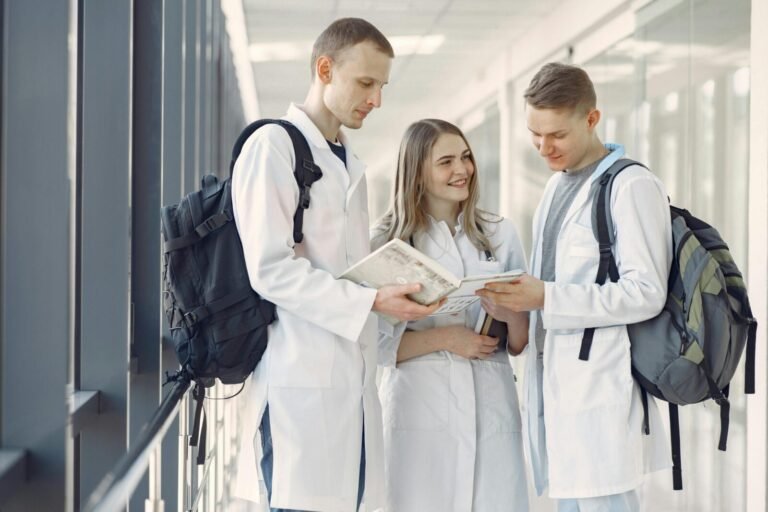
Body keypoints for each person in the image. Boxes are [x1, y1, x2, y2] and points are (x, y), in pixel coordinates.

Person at [230, 18, 441, 512]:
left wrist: (396, 288)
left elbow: (342, 266)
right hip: (296, 382)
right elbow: (270, 269)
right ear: (325, 69)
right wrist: (370, 298)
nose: (376, 99)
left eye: (382, 86)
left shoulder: (346, 159)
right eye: (366, 83)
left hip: (353, 385)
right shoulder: (273, 148)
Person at [476, 62, 672, 512]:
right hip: (558, 383)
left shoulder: (630, 185)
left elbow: (646, 291)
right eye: (535, 134)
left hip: (599, 386)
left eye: (557, 135)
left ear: (591, 119)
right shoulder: (555, 186)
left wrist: (544, 296)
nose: (544, 147)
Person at [371, 119, 530, 512]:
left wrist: (510, 313)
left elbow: (521, 341)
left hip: (490, 402)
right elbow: (374, 345)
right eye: (446, 161)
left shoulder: (499, 233)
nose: (462, 170)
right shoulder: (386, 241)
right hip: (418, 406)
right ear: (417, 172)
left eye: (465, 157)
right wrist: (447, 339)